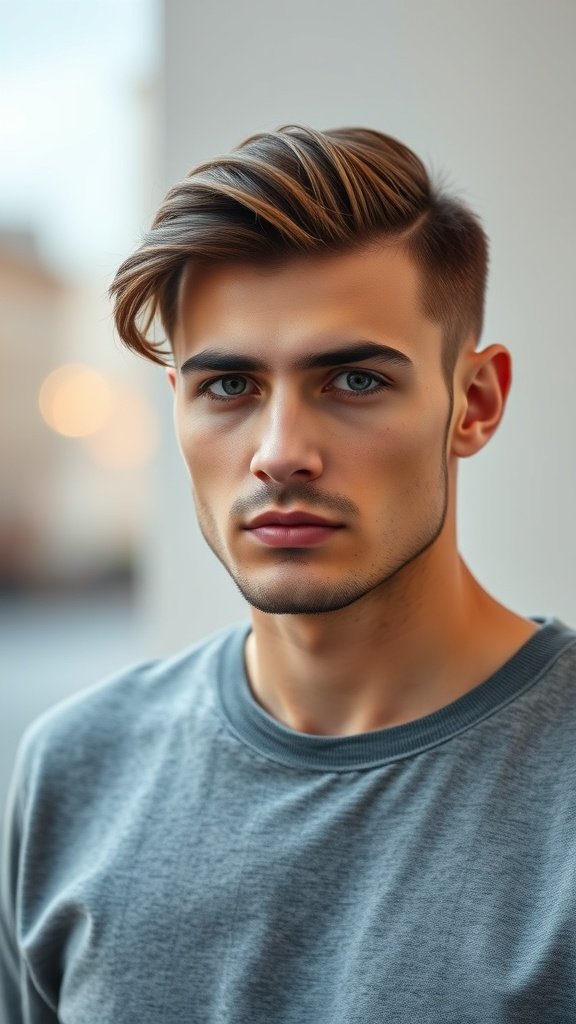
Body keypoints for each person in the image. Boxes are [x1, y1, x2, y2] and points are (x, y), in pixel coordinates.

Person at [1, 123, 575, 1024]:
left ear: (475, 402)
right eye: (228, 388)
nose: (279, 455)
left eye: (352, 381)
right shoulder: (76, 771)